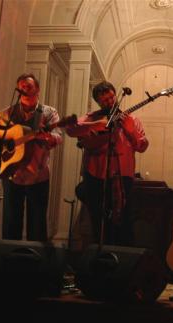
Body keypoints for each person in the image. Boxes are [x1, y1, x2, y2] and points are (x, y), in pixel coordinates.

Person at [0, 73, 63, 241]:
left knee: (37, 226)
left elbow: (58, 136)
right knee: (10, 224)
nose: (24, 90)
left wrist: (48, 137)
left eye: (28, 87)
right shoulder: (9, 113)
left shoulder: (48, 113)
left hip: (38, 176)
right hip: (12, 174)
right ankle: (9, 262)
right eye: (21, 87)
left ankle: (33, 264)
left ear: (37, 89)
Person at [66, 81, 148, 246]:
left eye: (111, 97)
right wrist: (96, 124)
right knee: (98, 221)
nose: (110, 102)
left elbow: (142, 146)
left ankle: (120, 259)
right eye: (105, 100)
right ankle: (99, 259)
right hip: (95, 176)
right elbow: (71, 129)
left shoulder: (131, 119)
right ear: (98, 102)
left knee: (123, 222)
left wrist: (130, 129)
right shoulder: (92, 116)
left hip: (122, 177)